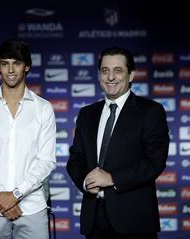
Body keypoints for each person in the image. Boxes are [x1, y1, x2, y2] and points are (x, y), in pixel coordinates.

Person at [67, 47, 169, 239]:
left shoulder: (150, 111)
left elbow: (154, 162)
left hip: (134, 221)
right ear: (99, 75)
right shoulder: (87, 114)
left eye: (118, 70)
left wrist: (112, 178)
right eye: (105, 71)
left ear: (131, 75)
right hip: (94, 220)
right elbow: (75, 159)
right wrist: (85, 180)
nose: (110, 77)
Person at [0, 39, 56, 239]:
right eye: (5, 63)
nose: (10, 70)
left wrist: (15, 195)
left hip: (32, 207)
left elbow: (46, 161)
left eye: (16, 63)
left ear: (27, 66)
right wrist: (0, 197)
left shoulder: (43, 109)